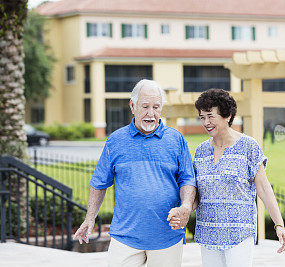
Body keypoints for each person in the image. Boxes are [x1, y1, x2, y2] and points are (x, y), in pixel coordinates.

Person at [73, 79, 196, 267]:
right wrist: (90, 218)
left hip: (167, 236)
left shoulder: (176, 139)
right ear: (132, 106)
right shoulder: (115, 141)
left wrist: (186, 206)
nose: (151, 113)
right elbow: (99, 183)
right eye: (145, 106)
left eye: (156, 107)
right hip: (125, 237)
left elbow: (187, 179)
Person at [169, 89, 285, 267]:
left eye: (210, 116)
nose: (206, 122)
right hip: (208, 233)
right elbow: (198, 195)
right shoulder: (201, 151)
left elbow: (264, 189)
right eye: (202, 117)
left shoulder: (248, 146)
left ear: (227, 115)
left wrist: (279, 225)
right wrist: (184, 210)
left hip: (239, 233)